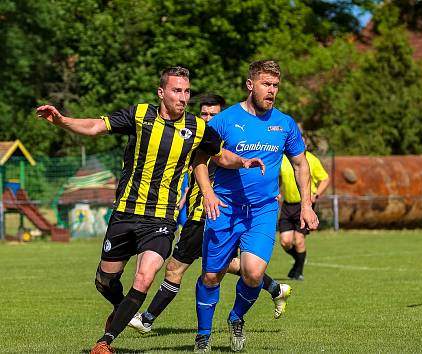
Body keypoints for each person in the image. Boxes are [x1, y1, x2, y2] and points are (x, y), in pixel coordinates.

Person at [36, 66, 265, 354]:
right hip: (125, 213)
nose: (183, 97)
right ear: (161, 92)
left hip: (161, 219)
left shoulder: (197, 128)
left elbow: (221, 154)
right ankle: (121, 308)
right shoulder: (139, 115)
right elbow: (96, 126)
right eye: (177, 91)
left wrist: (243, 162)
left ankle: (104, 342)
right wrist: (61, 120)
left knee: (145, 276)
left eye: (187, 91)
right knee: (105, 281)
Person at [127, 94, 292, 335]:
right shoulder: (197, 140)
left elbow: (241, 167)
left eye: (212, 114)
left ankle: (148, 319)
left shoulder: (222, 147)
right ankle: (276, 289)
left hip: (209, 216)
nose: (207, 119)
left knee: (176, 268)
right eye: (203, 114)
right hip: (198, 212)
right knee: (228, 267)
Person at [191, 60, 319, 352]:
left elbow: (301, 165)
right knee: (212, 275)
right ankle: (203, 336)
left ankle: (236, 318)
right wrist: (207, 193)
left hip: (262, 211)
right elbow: (200, 160)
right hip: (223, 208)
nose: (271, 91)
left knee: (254, 273)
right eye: (266, 84)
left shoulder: (285, 124)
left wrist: (307, 205)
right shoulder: (222, 121)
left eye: (275, 86)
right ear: (250, 85)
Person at [279, 135, 330, 280]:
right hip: (287, 205)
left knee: (299, 240)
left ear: (306, 145)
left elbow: (325, 179)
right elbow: (278, 177)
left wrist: (316, 195)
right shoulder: (283, 159)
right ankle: (299, 260)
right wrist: (276, 190)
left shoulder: (312, 160)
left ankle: (298, 272)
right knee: (285, 242)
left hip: (305, 205)